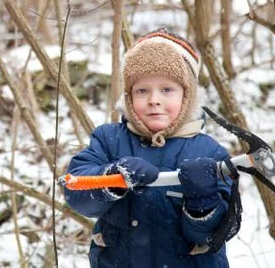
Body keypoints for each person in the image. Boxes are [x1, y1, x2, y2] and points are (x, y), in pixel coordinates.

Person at [64, 28, 233, 267]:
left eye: (167, 89)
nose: (154, 99)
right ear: (129, 96)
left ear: (187, 95)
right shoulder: (108, 140)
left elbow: (214, 235)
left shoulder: (210, 153)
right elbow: (77, 193)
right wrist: (113, 177)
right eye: (142, 90)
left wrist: (203, 204)